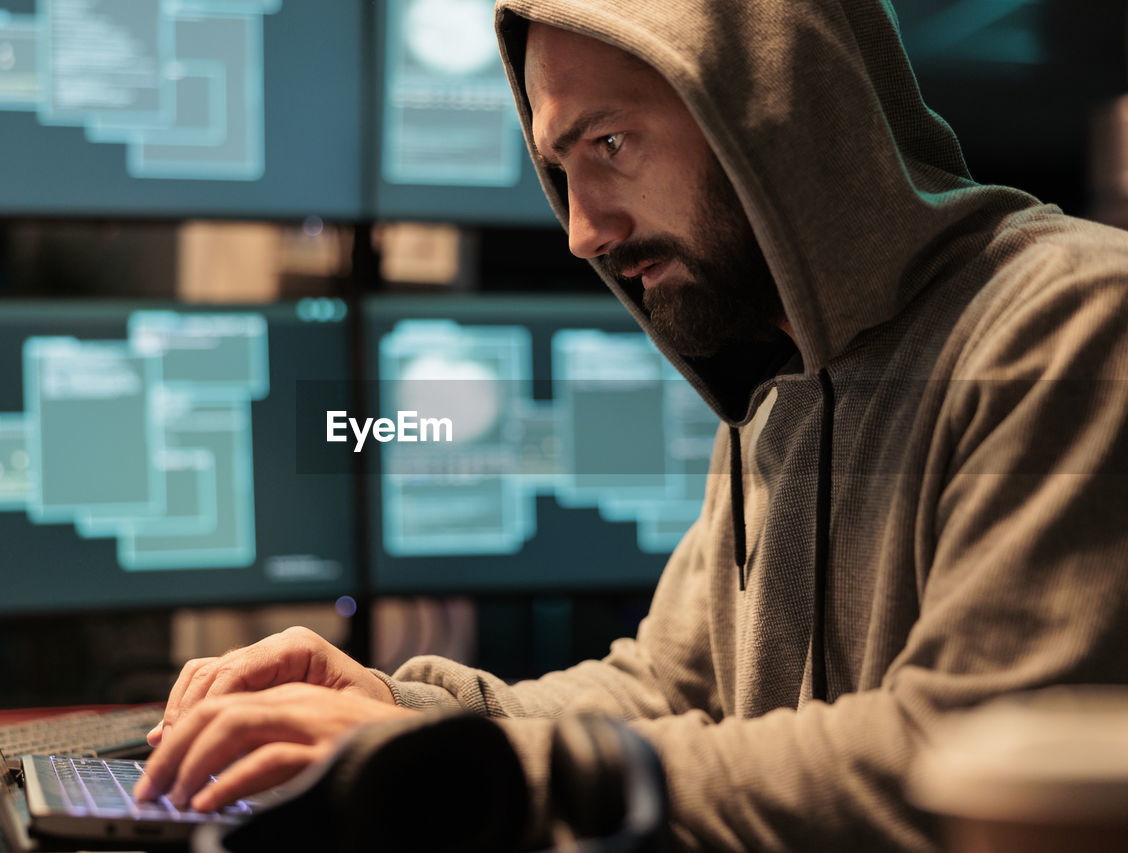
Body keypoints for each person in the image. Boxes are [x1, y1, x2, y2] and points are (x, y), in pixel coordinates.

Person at [134, 1, 1128, 849]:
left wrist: (491, 775)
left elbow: (964, 750)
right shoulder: (773, 386)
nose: (581, 230)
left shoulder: (1068, 323)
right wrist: (401, 714)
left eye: (608, 146)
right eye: (562, 170)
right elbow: (667, 689)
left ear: (766, 114)